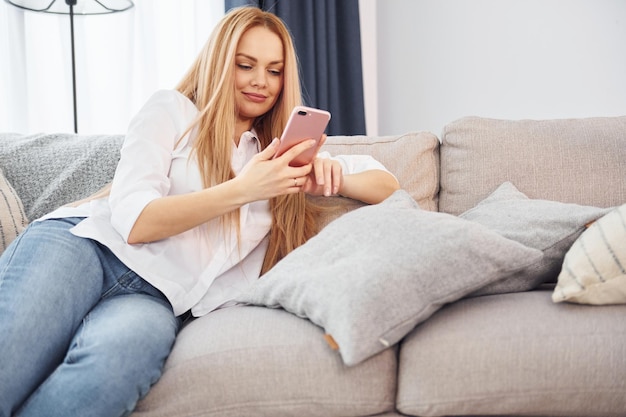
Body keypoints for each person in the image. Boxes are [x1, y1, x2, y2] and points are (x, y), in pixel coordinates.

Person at [0, 6, 399, 417]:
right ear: (221, 63)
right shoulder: (172, 111)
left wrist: (332, 176)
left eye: (275, 71)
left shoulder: (278, 158)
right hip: (84, 249)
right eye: (246, 65)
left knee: (117, 366)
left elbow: (388, 186)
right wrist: (242, 190)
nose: (261, 81)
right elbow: (136, 222)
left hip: (157, 297)